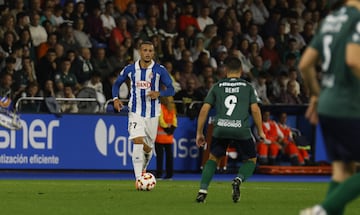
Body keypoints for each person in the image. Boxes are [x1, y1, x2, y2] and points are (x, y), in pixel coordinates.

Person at [298, 0, 360, 214]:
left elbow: (305, 64)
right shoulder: (358, 18)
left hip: (327, 104)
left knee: (343, 171)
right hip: (350, 106)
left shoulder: (332, 19)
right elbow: (353, 60)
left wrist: (316, 95)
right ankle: (322, 210)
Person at [195, 56, 265, 203]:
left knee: (213, 158)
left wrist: (199, 133)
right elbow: (255, 110)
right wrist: (261, 131)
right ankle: (238, 180)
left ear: (225, 70)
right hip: (241, 129)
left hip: (221, 128)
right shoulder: (247, 87)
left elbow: (204, 110)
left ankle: (202, 190)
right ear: (241, 70)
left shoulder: (217, 86)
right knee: (251, 159)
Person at [112, 41, 175, 189]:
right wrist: (115, 99)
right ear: (140, 52)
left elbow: (171, 89)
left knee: (148, 149)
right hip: (135, 112)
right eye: (145, 50)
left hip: (153, 114)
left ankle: (143, 169)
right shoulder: (130, 69)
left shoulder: (160, 70)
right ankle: (139, 178)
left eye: (150, 51)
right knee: (137, 140)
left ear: (153, 53)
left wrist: (160, 93)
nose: (147, 53)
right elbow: (116, 83)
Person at [155, 96, 177, 180]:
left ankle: (164, 174)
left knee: (164, 157)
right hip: (164, 137)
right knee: (164, 157)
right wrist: (170, 130)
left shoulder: (167, 109)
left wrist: (169, 129)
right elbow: (163, 121)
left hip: (164, 138)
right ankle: (164, 174)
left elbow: (163, 121)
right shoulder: (166, 108)